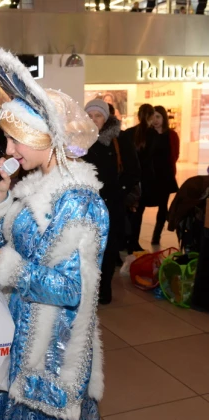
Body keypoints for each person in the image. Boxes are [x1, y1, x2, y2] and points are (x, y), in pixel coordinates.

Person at [0, 21, 108, 420]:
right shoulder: (36, 185)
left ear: (45, 139)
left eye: (15, 141)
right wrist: (1, 201)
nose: (8, 151)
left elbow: (70, 289)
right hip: (20, 330)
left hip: (50, 349)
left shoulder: (79, 200)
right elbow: (18, 247)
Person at [84, 99, 141, 304]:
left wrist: (117, 193)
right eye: (89, 116)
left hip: (110, 204)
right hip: (84, 204)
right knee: (85, 247)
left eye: (97, 115)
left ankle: (103, 290)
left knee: (107, 249)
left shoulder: (119, 138)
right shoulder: (79, 139)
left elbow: (133, 171)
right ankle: (86, 290)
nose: (93, 120)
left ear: (106, 117)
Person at [121, 104, 157, 253]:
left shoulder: (128, 133)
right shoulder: (153, 134)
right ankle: (133, 242)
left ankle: (124, 241)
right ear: (151, 117)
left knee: (127, 211)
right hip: (146, 179)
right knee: (139, 213)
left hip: (130, 178)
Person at [149, 105, 179, 245]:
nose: (155, 120)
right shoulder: (148, 134)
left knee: (162, 206)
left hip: (165, 175)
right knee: (143, 205)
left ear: (164, 118)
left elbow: (175, 155)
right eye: (153, 117)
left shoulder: (171, 135)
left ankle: (156, 236)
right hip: (150, 176)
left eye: (158, 117)